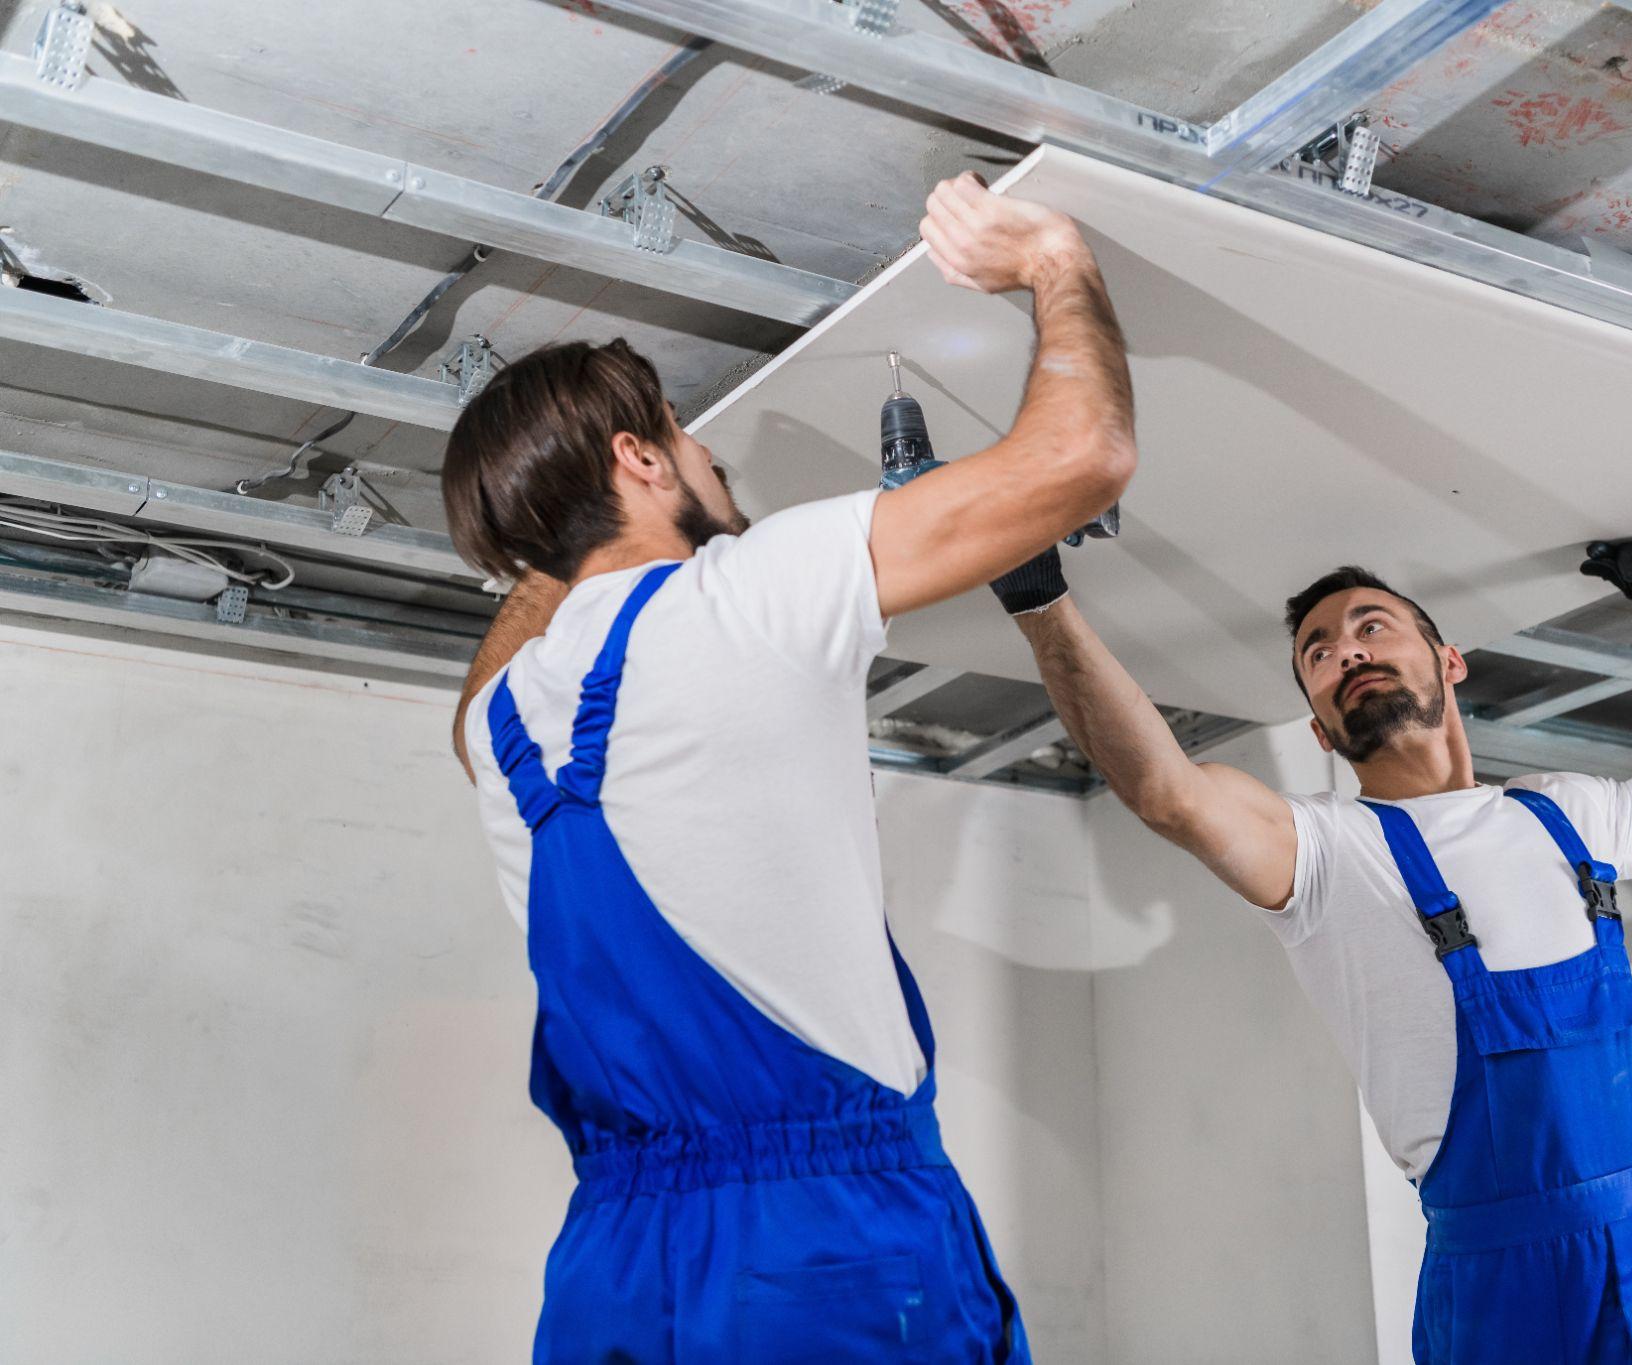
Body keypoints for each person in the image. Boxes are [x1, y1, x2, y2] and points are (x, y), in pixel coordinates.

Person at [441, 172, 1134, 1362]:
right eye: (682, 439)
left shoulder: (500, 733)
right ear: (639, 463)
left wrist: (549, 524)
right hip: (821, 1244)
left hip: (612, 1266)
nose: (711, 457)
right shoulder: (750, 589)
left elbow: (491, 670)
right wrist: (1056, 261)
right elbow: (1085, 457)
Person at [1002, 533, 1632, 1362]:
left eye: (1371, 626)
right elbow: (1165, 792)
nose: (1345, 651)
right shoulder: (1325, 853)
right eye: (1317, 654)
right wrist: (1040, 599)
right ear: (1320, 730)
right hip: (1507, 1285)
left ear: (1449, 661)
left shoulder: (1571, 816)